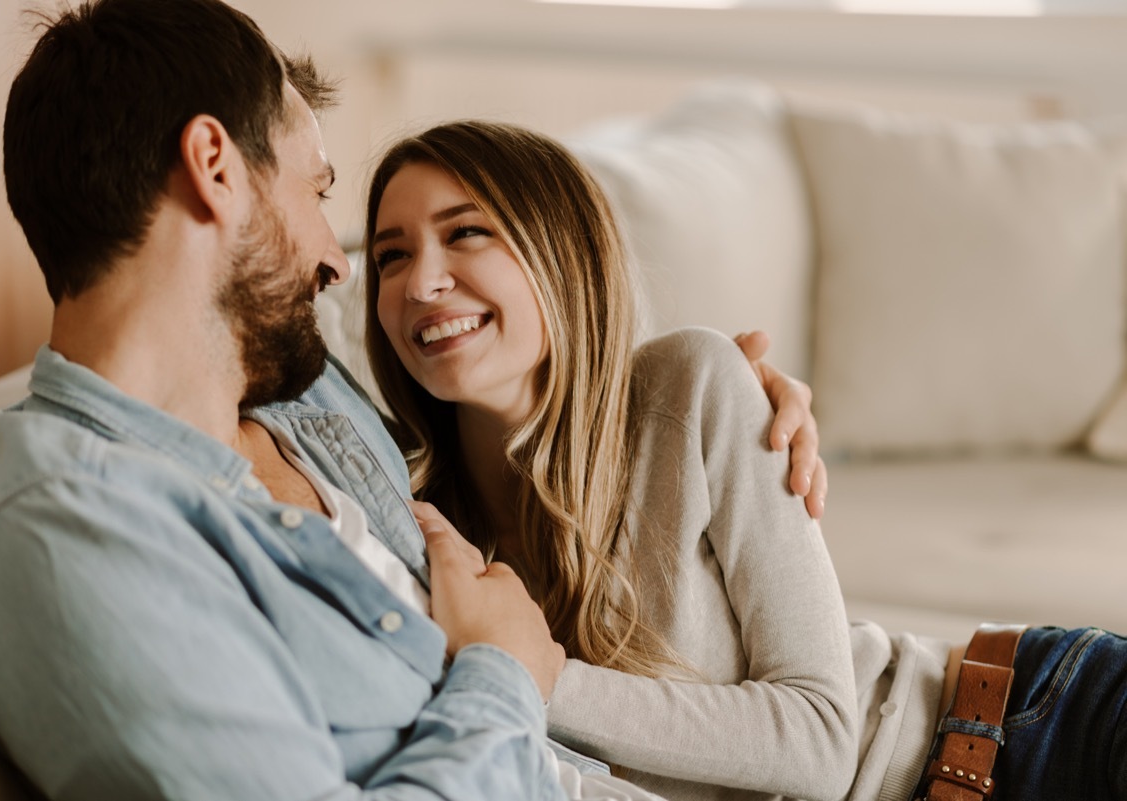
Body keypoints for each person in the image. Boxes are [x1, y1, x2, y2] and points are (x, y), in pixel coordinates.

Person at [0, 3, 820, 800]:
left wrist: (711, 388)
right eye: (315, 192)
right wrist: (502, 671)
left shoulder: (296, 387)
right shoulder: (73, 536)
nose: (339, 258)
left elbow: (504, 332)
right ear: (214, 167)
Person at [361, 119, 1127, 801]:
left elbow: (822, 740)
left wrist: (545, 676)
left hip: (1032, 722)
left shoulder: (691, 385)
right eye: (391, 255)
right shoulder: (404, 519)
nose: (420, 281)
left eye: (465, 233)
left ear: (562, 255)